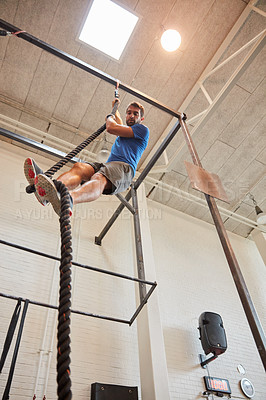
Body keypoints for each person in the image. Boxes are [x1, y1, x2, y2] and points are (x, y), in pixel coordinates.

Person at [24, 100, 149, 216]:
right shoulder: (126, 131)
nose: (131, 116)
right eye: (129, 113)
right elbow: (119, 120)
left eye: (135, 114)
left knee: (98, 178)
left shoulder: (142, 130)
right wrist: (115, 106)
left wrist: (109, 118)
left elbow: (111, 127)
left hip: (124, 169)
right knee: (80, 167)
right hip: (110, 165)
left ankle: (70, 199)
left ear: (141, 118)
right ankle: (51, 191)